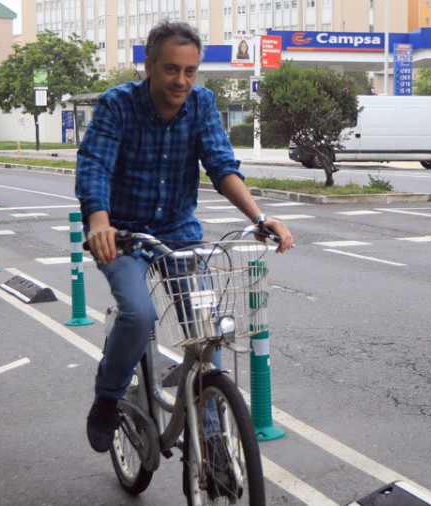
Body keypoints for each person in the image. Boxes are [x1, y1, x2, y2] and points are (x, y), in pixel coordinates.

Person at [75, 20, 293, 453]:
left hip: (179, 233)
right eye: (172, 69)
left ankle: (210, 431)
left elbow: (221, 165)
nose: (181, 81)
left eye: (190, 71)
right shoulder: (117, 105)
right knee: (138, 315)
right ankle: (107, 397)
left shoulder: (202, 104)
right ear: (149, 65)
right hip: (121, 234)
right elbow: (95, 164)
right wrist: (99, 220)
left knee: (206, 327)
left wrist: (259, 217)